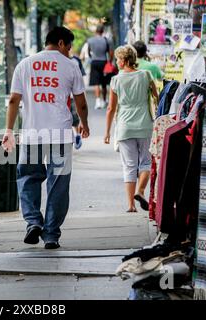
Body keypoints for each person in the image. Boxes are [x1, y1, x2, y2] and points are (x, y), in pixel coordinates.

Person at [2, 26, 90, 249]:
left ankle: (33, 222)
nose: (69, 52)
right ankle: (51, 234)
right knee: (58, 184)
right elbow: (80, 102)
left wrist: (8, 130)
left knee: (28, 178)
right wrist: (84, 124)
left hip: (32, 134)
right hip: (60, 135)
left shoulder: (25, 64)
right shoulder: (70, 66)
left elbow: (13, 100)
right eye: (68, 47)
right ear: (60, 43)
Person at [104, 45, 159, 212]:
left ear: (125, 60)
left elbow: (111, 109)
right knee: (146, 162)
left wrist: (107, 132)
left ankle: (130, 205)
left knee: (129, 165)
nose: (117, 63)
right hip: (145, 125)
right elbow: (156, 97)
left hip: (124, 127)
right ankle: (141, 191)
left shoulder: (116, 80)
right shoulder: (146, 75)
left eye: (118, 59)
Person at [87, 24, 114, 109]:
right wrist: (109, 62)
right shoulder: (107, 40)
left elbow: (89, 51)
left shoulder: (90, 40)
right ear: (103, 31)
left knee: (96, 83)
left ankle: (98, 101)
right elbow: (111, 52)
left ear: (96, 31)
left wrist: (92, 57)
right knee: (104, 83)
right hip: (104, 62)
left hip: (94, 62)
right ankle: (104, 100)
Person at [70, 53, 87, 149]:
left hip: (74, 95)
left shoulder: (76, 60)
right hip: (63, 97)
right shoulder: (58, 60)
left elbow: (81, 76)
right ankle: (69, 138)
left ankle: (77, 136)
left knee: (75, 118)